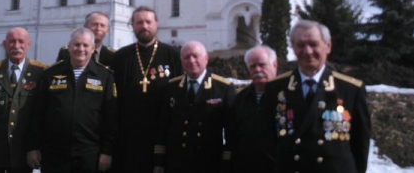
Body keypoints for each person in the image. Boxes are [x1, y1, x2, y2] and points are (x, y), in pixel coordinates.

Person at [262, 20, 371, 173]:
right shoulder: (275, 88)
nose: (307, 51)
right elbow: (268, 140)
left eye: (313, 44)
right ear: (293, 48)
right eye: (300, 45)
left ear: (328, 46)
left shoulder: (350, 89)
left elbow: (361, 146)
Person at [27, 28, 117, 173]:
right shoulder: (50, 74)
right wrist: (33, 147)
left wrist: (107, 151)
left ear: (93, 48)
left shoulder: (105, 76)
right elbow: (37, 114)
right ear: (68, 47)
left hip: (90, 154)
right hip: (54, 154)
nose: (80, 49)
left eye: (85, 45)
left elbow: (111, 118)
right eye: (76, 45)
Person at [110, 6, 182, 173]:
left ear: (156, 24)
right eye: (139, 22)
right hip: (128, 135)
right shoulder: (120, 57)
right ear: (132, 25)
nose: (144, 26)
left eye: (148, 22)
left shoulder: (172, 55)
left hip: (161, 132)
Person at [153, 41, 235, 173]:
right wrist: (159, 161)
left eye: (196, 56)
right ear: (181, 61)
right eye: (186, 57)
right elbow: (163, 126)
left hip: (209, 163)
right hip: (177, 163)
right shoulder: (171, 88)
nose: (191, 61)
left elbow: (231, 131)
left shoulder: (223, 88)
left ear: (206, 59)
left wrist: (226, 161)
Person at [0, 27, 47, 173]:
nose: (16, 46)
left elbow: (42, 115)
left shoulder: (41, 73)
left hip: (23, 153)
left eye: (21, 42)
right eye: (12, 42)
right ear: (5, 44)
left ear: (28, 44)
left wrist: (36, 147)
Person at [229, 45, 278, 173]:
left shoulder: (287, 95)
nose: (257, 70)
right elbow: (233, 138)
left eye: (262, 65)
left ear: (275, 65)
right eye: (252, 66)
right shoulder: (240, 100)